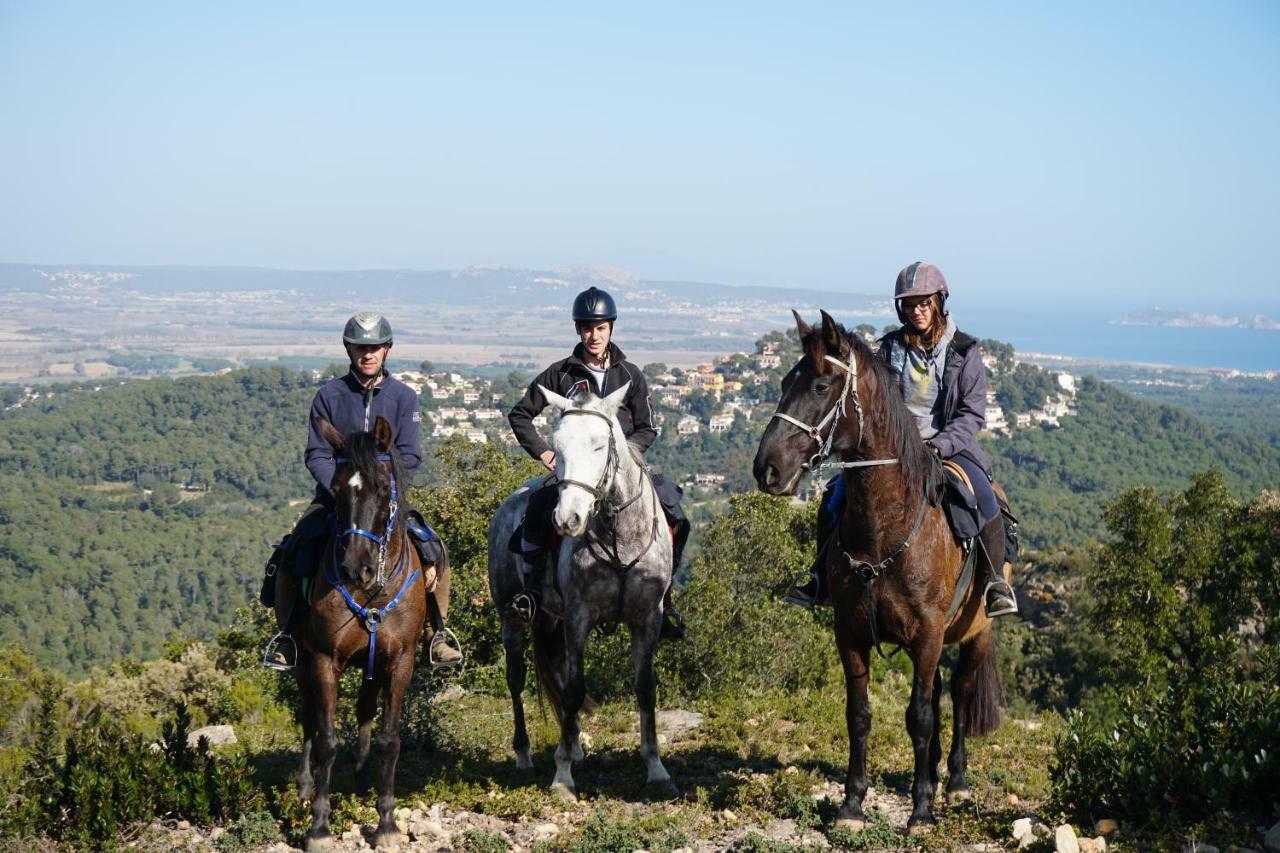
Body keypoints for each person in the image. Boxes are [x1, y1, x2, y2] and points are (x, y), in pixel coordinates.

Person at [786, 262, 1019, 617]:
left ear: (939, 301)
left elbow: (971, 414)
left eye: (924, 303)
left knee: (984, 497)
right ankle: (819, 577)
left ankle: (993, 583)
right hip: (894, 451)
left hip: (949, 448)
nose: (917, 311)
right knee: (834, 496)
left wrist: (939, 446)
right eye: (909, 305)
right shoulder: (890, 349)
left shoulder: (965, 351)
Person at [260, 312, 464, 669]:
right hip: (337, 498)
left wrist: (380, 488)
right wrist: (341, 490)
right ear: (348, 349)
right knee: (292, 553)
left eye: (374, 348)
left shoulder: (404, 398)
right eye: (360, 348)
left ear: (386, 350)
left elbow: (411, 455)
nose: (367, 354)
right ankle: (288, 637)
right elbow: (317, 453)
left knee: (435, 550)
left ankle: (437, 634)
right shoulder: (329, 396)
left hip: (386, 499)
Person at [506, 286, 689, 638]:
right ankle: (531, 594)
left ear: (611, 329)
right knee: (536, 509)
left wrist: (626, 457)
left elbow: (648, 427)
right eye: (588, 328)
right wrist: (545, 453)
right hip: (578, 473)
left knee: (675, 512)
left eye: (600, 328)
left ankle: (665, 596)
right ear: (578, 330)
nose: (594, 335)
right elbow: (521, 415)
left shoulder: (631, 374)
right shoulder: (560, 374)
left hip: (626, 472)